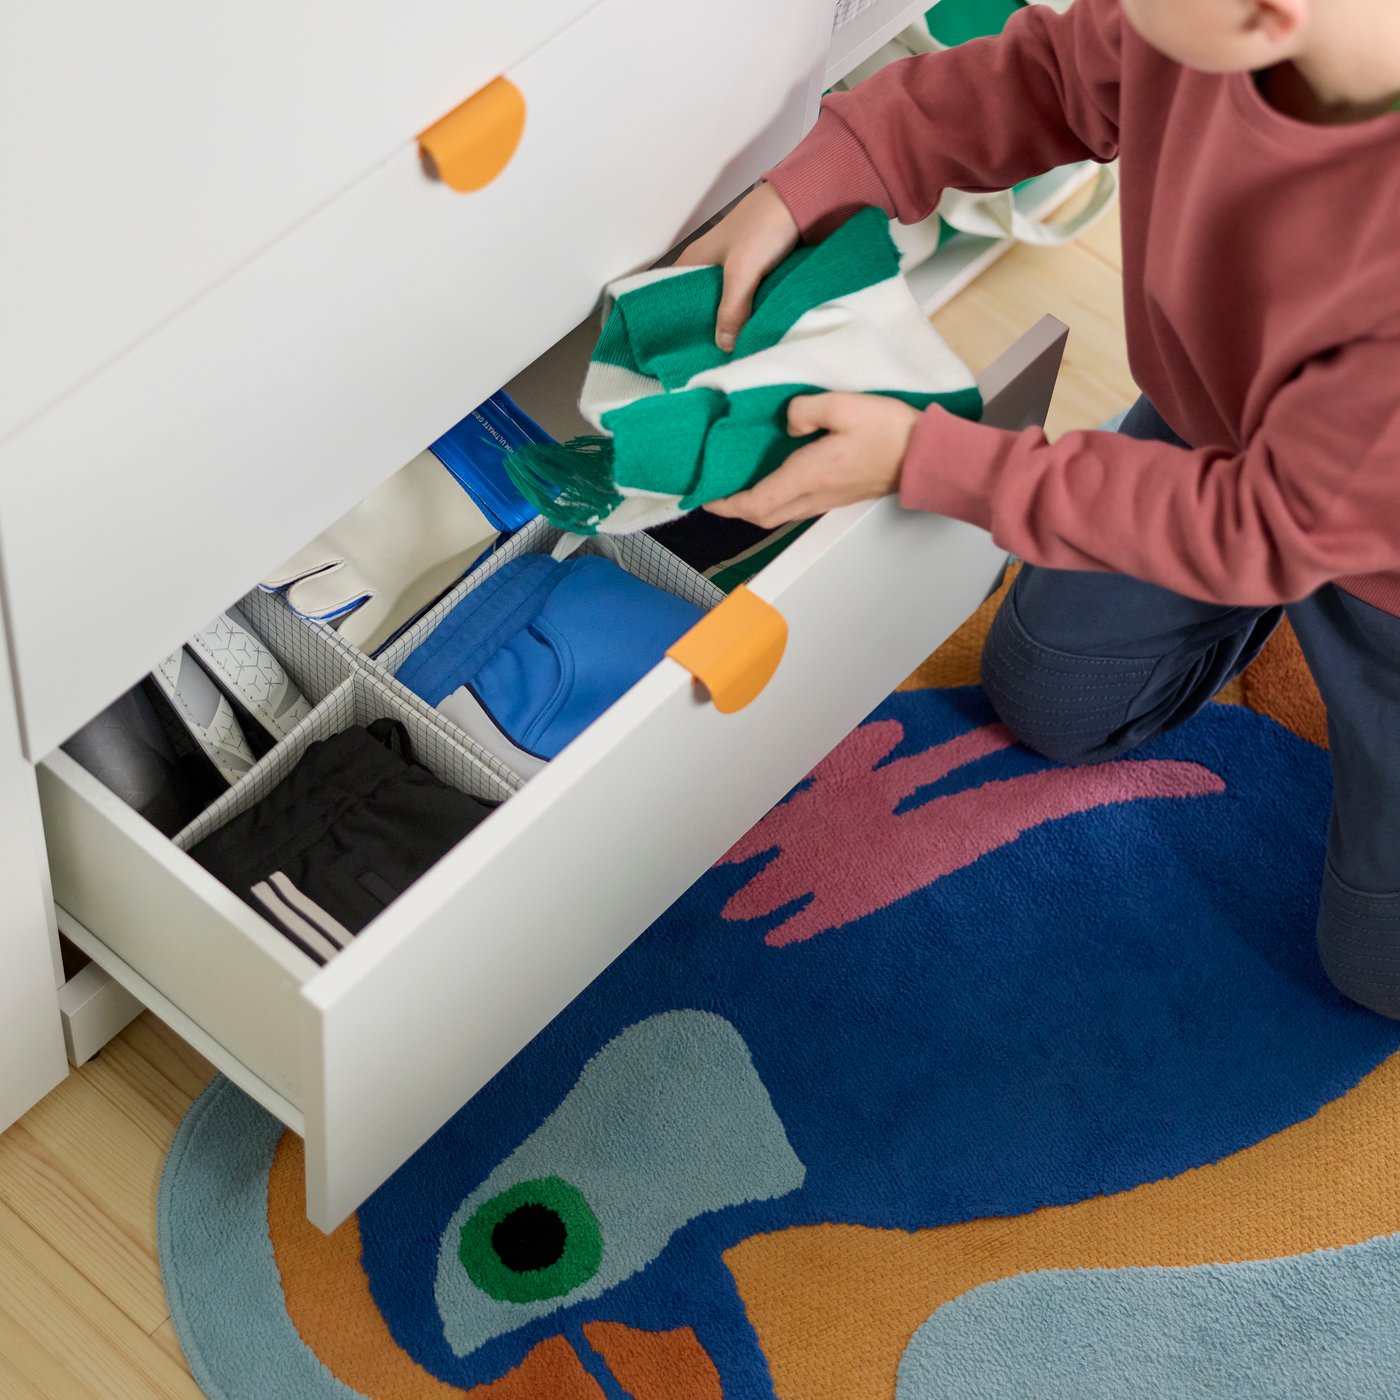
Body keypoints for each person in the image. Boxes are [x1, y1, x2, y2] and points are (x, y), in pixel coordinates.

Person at [678, 0, 1400, 1018]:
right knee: (1050, 693)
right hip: (1236, 447)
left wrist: (928, 461)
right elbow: (1041, 81)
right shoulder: (1185, 26)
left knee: (1378, 969)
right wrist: (821, 174)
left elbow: (1254, 531)